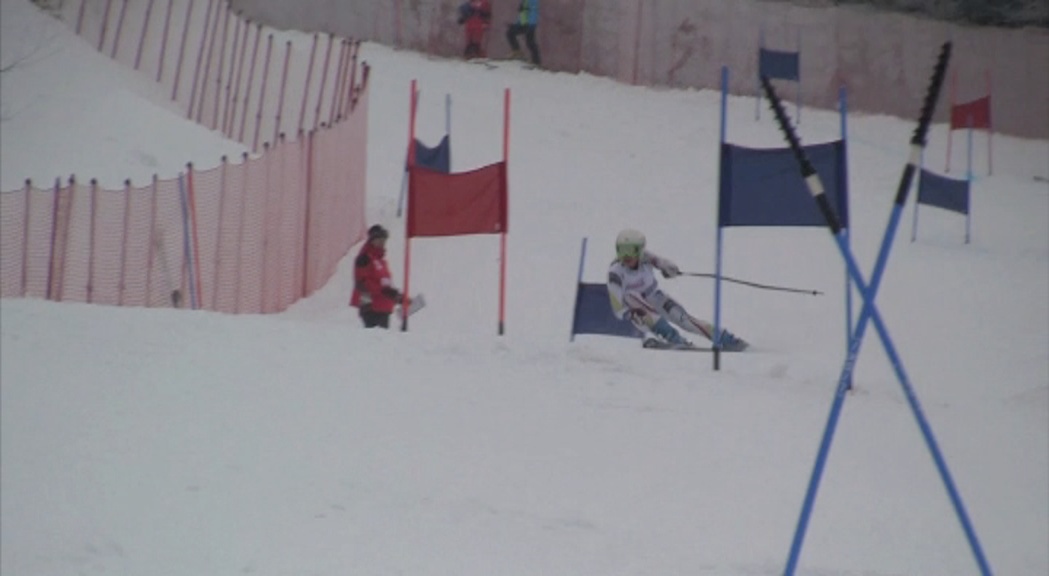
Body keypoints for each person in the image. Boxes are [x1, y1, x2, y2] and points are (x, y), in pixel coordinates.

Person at [607, 228, 748, 351]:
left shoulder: (646, 257)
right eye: (622, 251)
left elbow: (664, 264)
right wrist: (629, 314)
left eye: (631, 251)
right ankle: (671, 336)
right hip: (637, 310)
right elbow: (617, 307)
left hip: (655, 296)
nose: (626, 256)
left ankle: (725, 338)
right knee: (633, 297)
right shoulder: (615, 273)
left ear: (640, 250)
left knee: (684, 320)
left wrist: (670, 270)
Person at [350, 224, 405, 329]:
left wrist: (395, 295)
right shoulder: (364, 258)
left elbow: (384, 282)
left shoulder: (381, 261)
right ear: (372, 240)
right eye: (379, 239)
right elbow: (362, 282)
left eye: (384, 240)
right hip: (371, 307)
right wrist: (385, 291)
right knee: (374, 340)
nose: (382, 243)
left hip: (384, 307)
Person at [506, 0, 540, 66]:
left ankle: (536, 61)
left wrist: (531, 24)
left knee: (530, 41)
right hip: (523, 24)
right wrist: (515, 24)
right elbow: (522, 14)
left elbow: (533, 11)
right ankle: (517, 52)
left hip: (529, 24)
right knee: (510, 33)